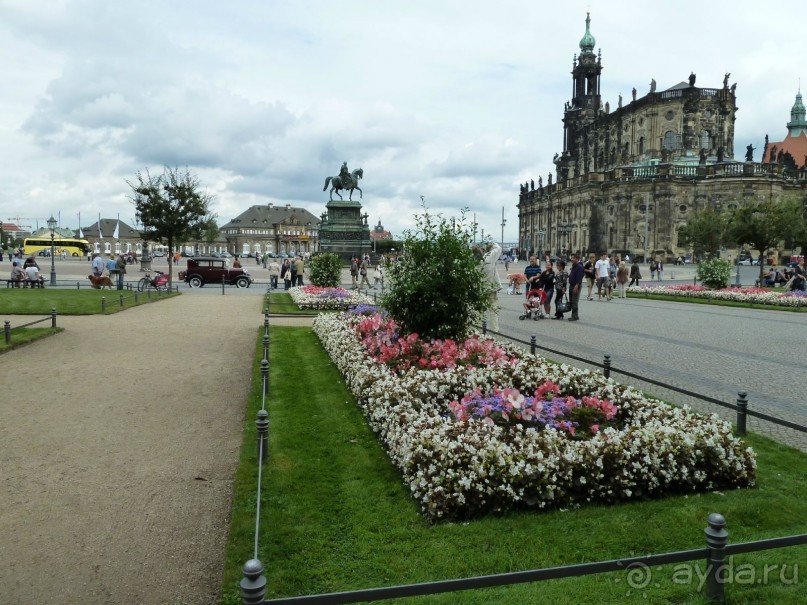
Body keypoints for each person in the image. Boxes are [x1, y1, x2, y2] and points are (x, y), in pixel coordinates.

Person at [482, 243, 502, 330]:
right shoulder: (489, 257)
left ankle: (479, 328)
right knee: (493, 309)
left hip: (481, 289)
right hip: (491, 288)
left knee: (480, 310)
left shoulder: (476, 261)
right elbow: (498, 248)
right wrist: (491, 244)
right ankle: (495, 329)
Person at [567, 253, 584, 321]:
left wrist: (576, 286)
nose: (572, 259)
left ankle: (575, 316)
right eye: (571, 258)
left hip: (576, 285)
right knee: (571, 301)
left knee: (574, 301)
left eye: (573, 258)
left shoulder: (579, 267)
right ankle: (574, 315)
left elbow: (579, 278)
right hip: (571, 285)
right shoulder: (574, 266)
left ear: (577, 259)